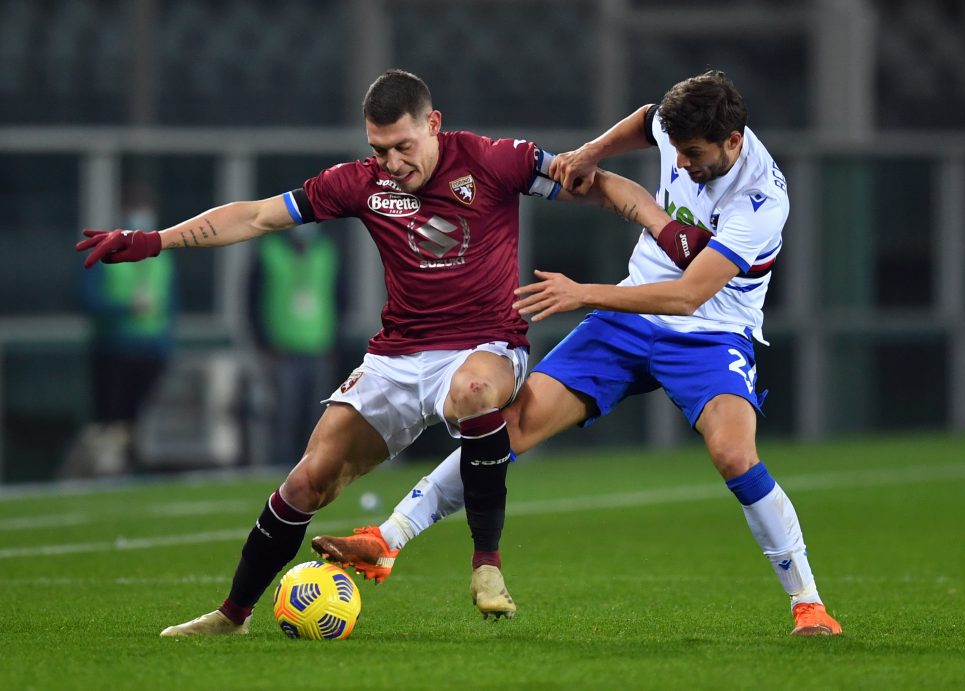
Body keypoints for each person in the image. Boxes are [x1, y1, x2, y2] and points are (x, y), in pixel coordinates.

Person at [76, 69, 678, 634]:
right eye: (379, 149)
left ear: (433, 124)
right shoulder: (360, 182)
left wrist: (665, 228)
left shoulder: (494, 161)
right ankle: (232, 614)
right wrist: (153, 239)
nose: (392, 163)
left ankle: (486, 562)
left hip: (486, 344)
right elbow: (257, 217)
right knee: (308, 481)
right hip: (396, 357)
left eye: (403, 146)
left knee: (473, 393)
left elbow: (598, 186)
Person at [311, 70, 843, 636]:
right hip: (628, 322)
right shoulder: (678, 128)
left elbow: (690, 296)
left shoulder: (760, 200)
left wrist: (582, 292)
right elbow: (647, 119)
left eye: (693, 155)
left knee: (735, 455)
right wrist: (590, 152)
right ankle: (384, 540)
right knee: (504, 427)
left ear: (733, 142)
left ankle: (807, 602)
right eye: (678, 151)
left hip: (710, 332)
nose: (682, 165)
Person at [76, 187, 176, 474]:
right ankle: (101, 473)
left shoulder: (162, 255)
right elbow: (87, 298)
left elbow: (171, 305)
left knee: (141, 423)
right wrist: (124, 308)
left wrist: (167, 346)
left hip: (151, 351)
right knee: (110, 422)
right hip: (114, 349)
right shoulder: (105, 250)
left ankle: (134, 470)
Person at [248, 225, 340, 466]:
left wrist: (334, 342)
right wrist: (263, 343)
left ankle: (313, 469)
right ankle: (279, 471)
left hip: (318, 348)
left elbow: (340, 298)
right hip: (282, 351)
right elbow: (251, 299)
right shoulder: (270, 252)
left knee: (317, 418)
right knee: (284, 417)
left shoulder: (326, 252)